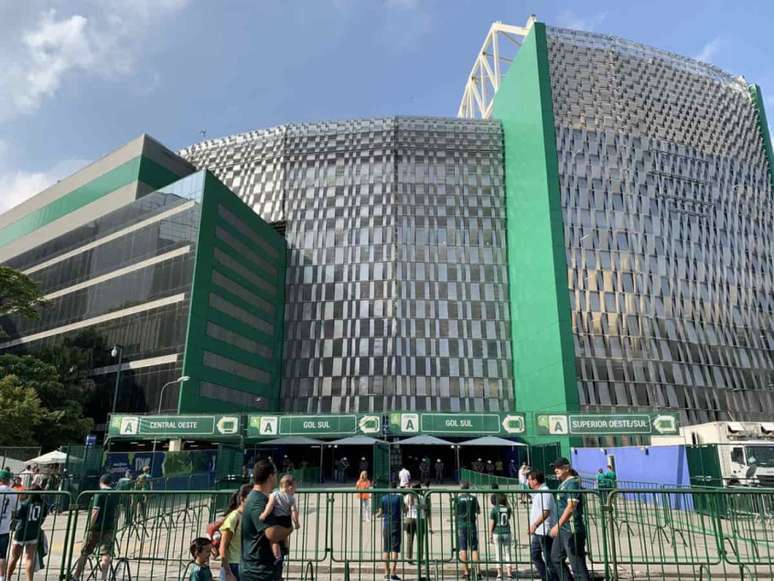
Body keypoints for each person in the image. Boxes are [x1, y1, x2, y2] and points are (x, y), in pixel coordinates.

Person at [241, 460, 291, 581]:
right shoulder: (257, 501)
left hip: (266, 569)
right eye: (275, 474)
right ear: (270, 476)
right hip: (258, 572)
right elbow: (272, 533)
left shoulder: (265, 498)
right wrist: (289, 529)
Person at [549, 457, 591, 581]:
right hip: (564, 529)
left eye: (559, 467)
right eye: (555, 468)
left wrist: (557, 525)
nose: (555, 470)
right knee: (556, 558)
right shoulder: (564, 483)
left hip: (572, 530)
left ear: (566, 468)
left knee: (577, 565)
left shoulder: (573, 483)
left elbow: (570, 507)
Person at [72, 474, 118, 581]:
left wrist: (91, 525)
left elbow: (95, 511)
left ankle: (76, 576)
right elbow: (118, 511)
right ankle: (103, 578)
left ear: (100, 482)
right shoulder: (116, 494)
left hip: (96, 527)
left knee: (85, 552)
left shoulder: (99, 494)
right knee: (106, 553)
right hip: (109, 527)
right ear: (110, 483)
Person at [6, 485, 48, 581]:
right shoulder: (43, 504)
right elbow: (43, 518)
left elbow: (17, 516)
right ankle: (29, 579)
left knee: (14, 557)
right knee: (29, 558)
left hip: (21, 532)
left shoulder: (25, 504)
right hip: (33, 532)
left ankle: (7, 578)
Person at [527, 470, 563, 581]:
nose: (528, 482)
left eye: (529, 480)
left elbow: (546, 511)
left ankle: (554, 578)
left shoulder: (545, 492)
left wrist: (535, 525)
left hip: (544, 531)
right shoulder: (538, 492)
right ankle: (546, 578)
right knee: (535, 555)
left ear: (535, 481)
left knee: (549, 559)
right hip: (538, 532)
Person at [259, 474, 300, 565]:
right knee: (285, 535)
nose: (295, 491)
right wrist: (296, 522)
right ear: (289, 487)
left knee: (273, 540)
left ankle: (277, 556)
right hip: (287, 520)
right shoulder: (292, 498)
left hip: (277, 519)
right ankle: (286, 548)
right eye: (294, 488)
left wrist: (264, 514)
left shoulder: (274, 494)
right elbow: (294, 511)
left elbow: (270, 506)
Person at [219, 484, 252, 581]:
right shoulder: (234, 517)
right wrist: (228, 573)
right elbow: (223, 547)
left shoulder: (249, 517)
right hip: (233, 566)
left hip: (246, 565)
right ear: (243, 499)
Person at [375, 479, 402, 581]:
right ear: (396, 488)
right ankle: (393, 573)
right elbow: (404, 509)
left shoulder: (383, 498)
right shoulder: (399, 498)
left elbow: (380, 512)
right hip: (396, 524)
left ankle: (386, 573)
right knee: (395, 550)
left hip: (387, 524)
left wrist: (378, 514)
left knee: (386, 549)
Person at [452, 481, 480, 579]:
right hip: (471, 524)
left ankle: (466, 572)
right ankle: (477, 572)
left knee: (463, 548)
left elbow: (455, 512)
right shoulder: (473, 498)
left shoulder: (458, 499)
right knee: (474, 548)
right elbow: (478, 510)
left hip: (462, 524)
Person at [489, 493, 514, 580]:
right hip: (506, 531)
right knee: (507, 553)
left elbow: (492, 523)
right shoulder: (508, 508)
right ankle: (509, 573)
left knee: (498, 553)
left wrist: (490, 534)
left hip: (497, 531)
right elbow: (509, 517)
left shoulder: (494, 509)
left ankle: (499, 573)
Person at [0, 469, 19, 581]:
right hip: (4, 527)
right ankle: (2, 577)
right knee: (2, 555)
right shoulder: (12, 492)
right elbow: (17, 507)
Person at [403, 483, 421, 563]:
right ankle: (420, 557)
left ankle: (409, 557)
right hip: (419, 518)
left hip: (409, 517)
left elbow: (405, 508)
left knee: (409, 539)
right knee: (420, 539)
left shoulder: (407, 496)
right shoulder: (421, 497)